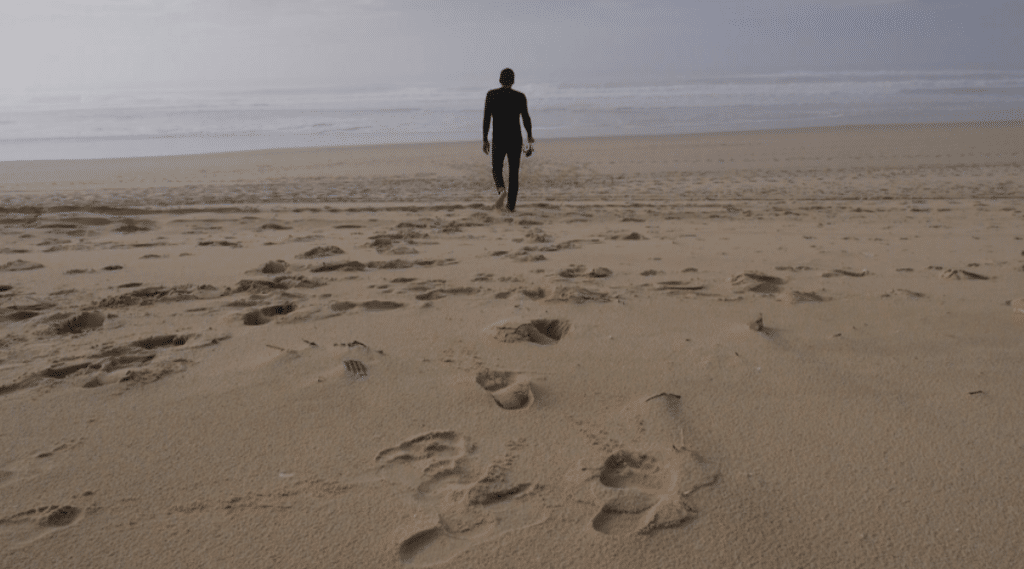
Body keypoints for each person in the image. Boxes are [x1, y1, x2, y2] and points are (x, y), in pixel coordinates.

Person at [483, 68, 534, 213]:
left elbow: (487, 118)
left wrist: (485, 139)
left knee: (496, 168)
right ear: (513, 81)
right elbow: (526, 118)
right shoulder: (520, 96)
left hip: (499, 138)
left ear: (500, 79)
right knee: (513, 173)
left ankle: (501, 190)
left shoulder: (491, 95)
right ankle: (511, 206)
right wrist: (529, 138)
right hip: (515, 139)